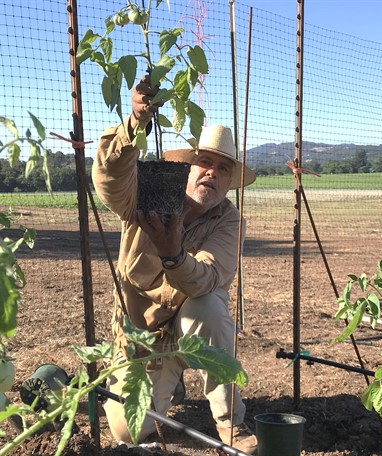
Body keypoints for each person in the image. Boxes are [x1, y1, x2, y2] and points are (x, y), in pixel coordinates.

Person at [92, 75, 257, 454]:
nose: (211, 172)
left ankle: (230, 420)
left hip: (191, 331)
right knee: (127, 432)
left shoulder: (228, 220)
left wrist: (173, 255)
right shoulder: (149, 195)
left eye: (222, 167)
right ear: (189, 166)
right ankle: (170, 382)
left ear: (230, 180)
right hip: (142, 337)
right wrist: (135, 124)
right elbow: (109, 181)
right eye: (204, 161)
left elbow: (208, 277)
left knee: (209, 305)